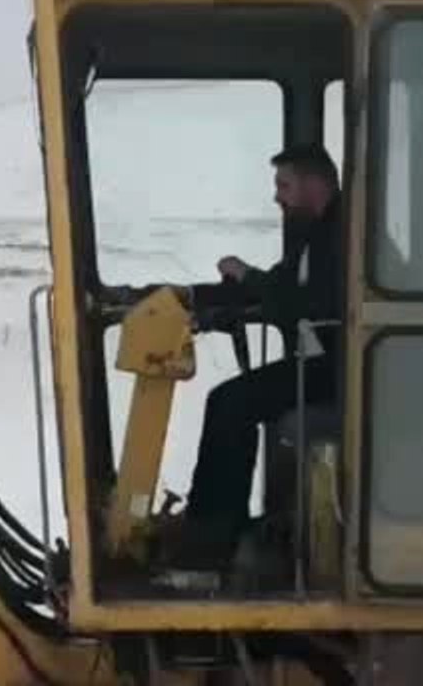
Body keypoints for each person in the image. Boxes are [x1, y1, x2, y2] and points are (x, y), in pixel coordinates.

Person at [158, 143, 344, 574]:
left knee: (231, 403)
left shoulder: (342, 235)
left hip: (343, 369)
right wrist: (196, 296)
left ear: (315, 183)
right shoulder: (317, 232)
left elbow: (310, 302)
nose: (277, 196)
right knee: (229, 400)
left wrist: (248, 276)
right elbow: (281, 287)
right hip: (324, 361)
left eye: (285, 185)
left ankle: (212, 535)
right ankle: (217, 526)